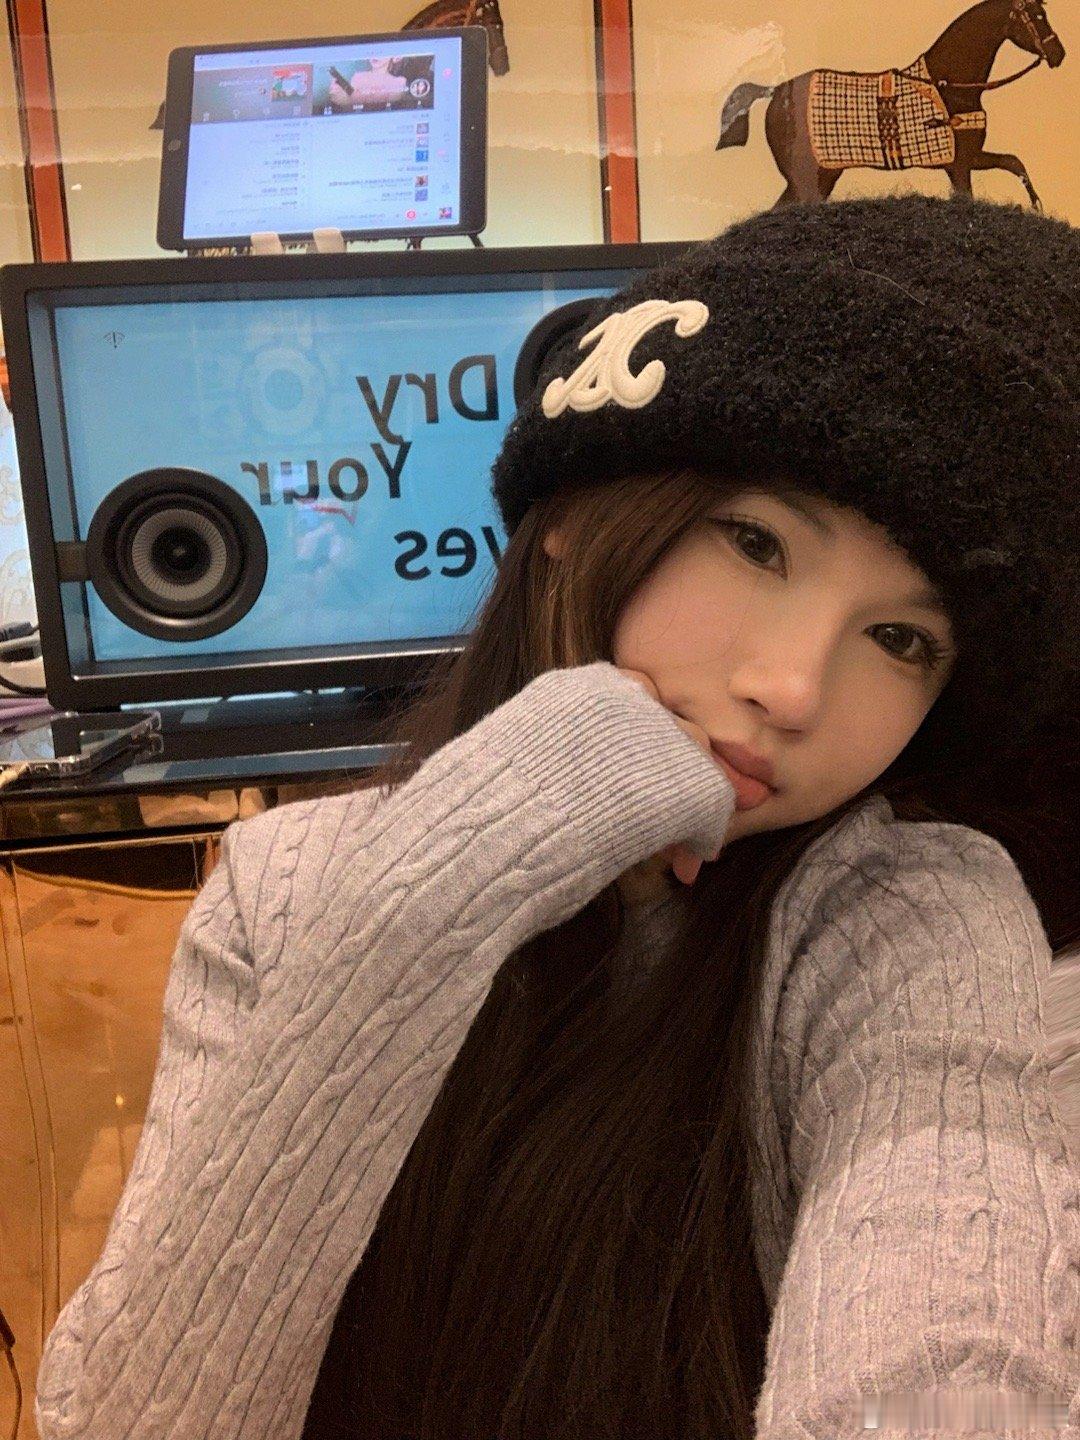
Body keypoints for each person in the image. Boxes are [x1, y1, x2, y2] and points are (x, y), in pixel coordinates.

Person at [34, 192, 1078, 1440]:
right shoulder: (287, 887)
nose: (795, 689)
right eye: (754, 543)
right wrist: (449, 878)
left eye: (902, 639)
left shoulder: (908, 925)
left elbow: (947, 1346)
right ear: (576, 516)